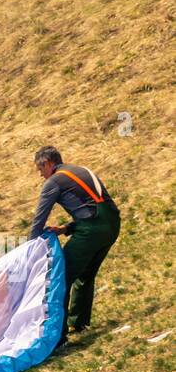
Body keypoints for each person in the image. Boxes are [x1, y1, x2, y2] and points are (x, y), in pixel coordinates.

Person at [27, 146, 121, 346]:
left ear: (48, 164)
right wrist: (67, 228)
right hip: (112, 225)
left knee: (60, 277)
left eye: (40, 169)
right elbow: (95, 205)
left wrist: (28, 249)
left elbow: (39, 219)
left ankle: (57, 336)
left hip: (91, 231)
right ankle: (77, 322)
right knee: (85, 275)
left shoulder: (53, 182)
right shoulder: (80, 170)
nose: (40, 175)